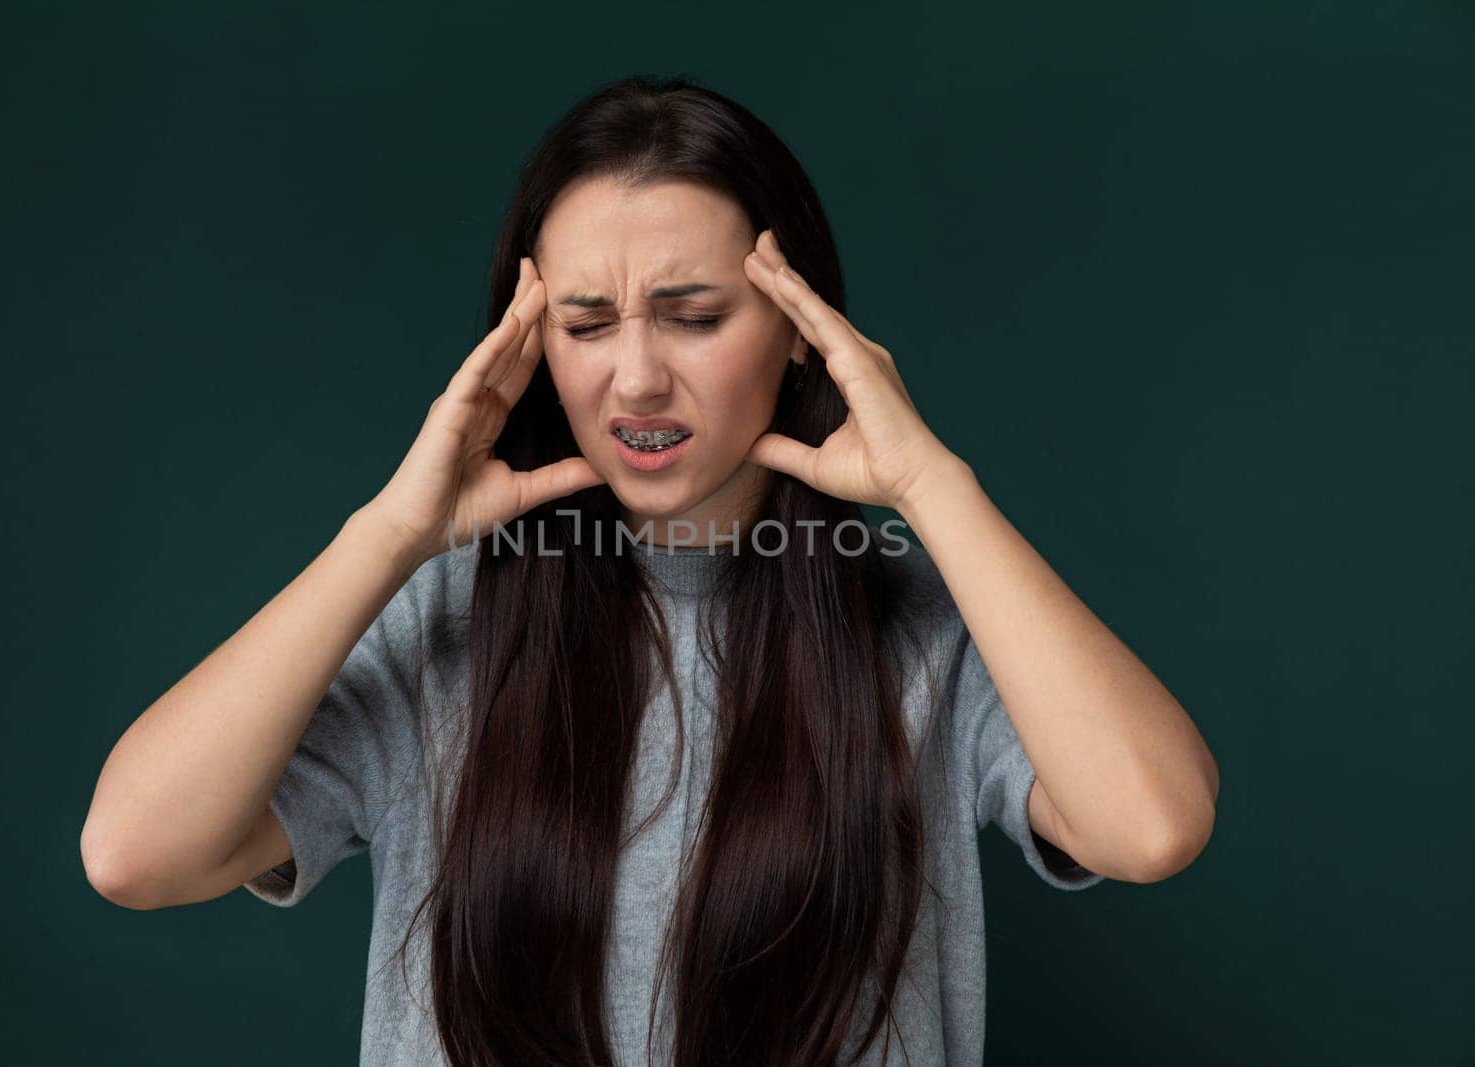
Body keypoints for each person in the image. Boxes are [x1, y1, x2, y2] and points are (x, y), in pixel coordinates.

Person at [80, 75, 1219, 1066]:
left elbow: (1150, 824)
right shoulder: (440, 621)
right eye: (584, 323)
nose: (633, 378)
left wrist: (935, 488)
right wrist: (388, 533)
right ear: (529, 348)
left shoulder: (927, 628)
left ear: (798, 329)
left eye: (692, 315)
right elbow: (135, 852)